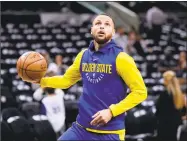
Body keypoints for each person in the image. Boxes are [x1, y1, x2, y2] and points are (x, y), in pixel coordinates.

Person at [27, 14, 147, 140]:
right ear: (91, 30)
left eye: (107, 24)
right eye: (98, 23)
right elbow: (66, 81)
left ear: (113, 32)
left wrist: (112, 111)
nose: (102, 27)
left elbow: (140, 92)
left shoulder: (122, 58)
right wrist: (41, 80)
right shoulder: (83, 56)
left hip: (110, 132)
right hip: (80, 129)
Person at [156, 71, 185, 141]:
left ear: (166, 80)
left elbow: (158, 111)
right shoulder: (180, 94)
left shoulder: (164, 95)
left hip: (165, 126)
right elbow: (183, 111)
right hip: (176, 125)